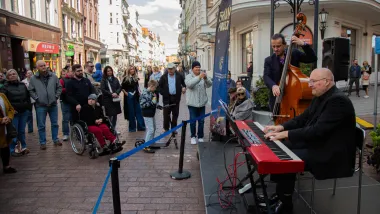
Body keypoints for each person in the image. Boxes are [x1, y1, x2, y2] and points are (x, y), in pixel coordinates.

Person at [263, 68, 356, 214]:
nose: (310, 84)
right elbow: (302, 119)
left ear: (326, 82)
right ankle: (281, 194)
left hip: (332, 153)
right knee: (281, 148)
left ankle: (286, 204)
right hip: (320, 143)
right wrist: (280, 127)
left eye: (313, 81)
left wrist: (285, 134)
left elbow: (317, 131)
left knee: (286, 159)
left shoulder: (338, 101)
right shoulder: (321, 96)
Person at [264, 33, 317, 111]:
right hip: (277, 100)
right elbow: (266, 76)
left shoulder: (294, 53)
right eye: (273, 46)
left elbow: (312, 58)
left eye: (278, 46)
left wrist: (303, 44)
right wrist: (273, 86)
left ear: (285, 45)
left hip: (293, 96)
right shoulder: (269, 60)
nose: (275, 49)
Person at [28, 60, 62, 150]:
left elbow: (59, 87)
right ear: (37, 68)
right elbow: (30, 90)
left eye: (44, 65)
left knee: (55, 123)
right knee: (41, 125)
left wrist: (56, 97)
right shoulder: (33, 78)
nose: (43, 67)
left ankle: (55, 139)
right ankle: (42, 142)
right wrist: (36, 98)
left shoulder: (53, 76)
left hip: (53, 104)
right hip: (41, 105)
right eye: (41, 66)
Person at [1, 70, 32, 156]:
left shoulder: (22, 85)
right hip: (13, 113)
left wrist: (28, 107)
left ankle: (23, 147)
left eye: (14, 74)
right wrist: (10, 111)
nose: (12, 76)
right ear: (7, 77)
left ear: (17, 75)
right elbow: (4, 101)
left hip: (24, 111)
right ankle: (13, 149)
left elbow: (27, 96)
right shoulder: (5, 87)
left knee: (22, 131)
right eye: (10, 75)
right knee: (14, 131)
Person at [185, 61, 212, 145]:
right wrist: (199, 77)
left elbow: (209, 84)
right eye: (196, 67)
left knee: (201, 121)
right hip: (192, 103)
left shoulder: (203, 75)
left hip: (202, 103)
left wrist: (206, 78)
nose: (198, 69)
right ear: (192, 68)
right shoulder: (188, 76)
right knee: (193, 121)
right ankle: (193, 136)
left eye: (199, 67)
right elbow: (189, 85)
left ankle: (200, 136)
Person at [158, 63, 186, 132]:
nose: (170, 70)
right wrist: (163, 93)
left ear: (174, 69)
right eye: (169, 69)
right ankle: (166, 128)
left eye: (171, 69)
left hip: (176, 98)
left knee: (175, 114)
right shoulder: (164, 77)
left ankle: (174, 129)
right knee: (166, 114)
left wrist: (184, 88)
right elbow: (159, 87)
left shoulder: (179, 76)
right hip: (167, 98)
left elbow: (184, 84)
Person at [122, 66, 145, 132]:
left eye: (133, 69)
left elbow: (137, 86)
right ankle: (132, 128)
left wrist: (139, 92)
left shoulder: (135, 78)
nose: (132, 70)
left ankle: (141, 127)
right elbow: (122, 87)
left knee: (139, 111)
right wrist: (127, 94)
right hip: (129, 97)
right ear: (128, 70)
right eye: (131, 69)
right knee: (131, 113)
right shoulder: (126, 78)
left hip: (136, 96)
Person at [140, 80, 160, 153]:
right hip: (147, 113)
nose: (155, 89)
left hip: (151, 113)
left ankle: (151, 142)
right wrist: (152, 102)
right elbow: (142, 105)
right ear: (151, 86)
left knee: (154, 128)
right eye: (155, 87)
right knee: (150, 129)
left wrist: (157, 105)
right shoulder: (144, 93)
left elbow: (153, 102)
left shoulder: (152, 92)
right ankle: (146, 145)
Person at [100, 66, 122, 133]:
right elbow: (103, 89)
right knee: (109, 115)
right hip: (108, 100)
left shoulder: (115, 79)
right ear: (105, 72)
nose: (109, 72)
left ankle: (113, 128)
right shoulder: (103, 80)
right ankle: (109, 129)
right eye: (108, 71)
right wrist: (111, 94)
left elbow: (119, 87)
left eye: (110, 71)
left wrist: (116, 93)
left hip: (115, 99)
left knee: (115, 114)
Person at [0, 92, 17, 173]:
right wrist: (1, 120)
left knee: (5, 146)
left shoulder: (2, 95)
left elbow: (10, 108)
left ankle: (6, 166)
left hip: (5, 127)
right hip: (1, 124)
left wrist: (9, 118)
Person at [59, 66, 73, 141]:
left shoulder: (75, 79)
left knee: (73, 118)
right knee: (66, 118)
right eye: (71, 71)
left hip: (73, 102)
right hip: (65, 101)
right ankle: (65, 133)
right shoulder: (62, 80)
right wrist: (68, 89)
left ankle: (73, 132)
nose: (72, 73)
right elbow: (60, 89)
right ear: (67, 72)